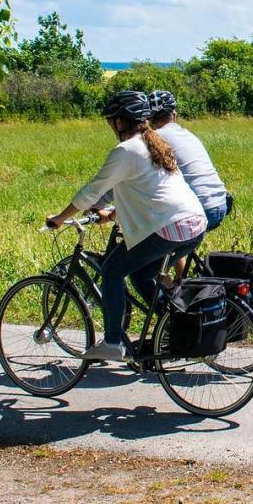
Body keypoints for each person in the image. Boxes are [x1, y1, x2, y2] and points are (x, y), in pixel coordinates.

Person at [46, 90, 207, 362]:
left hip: (170, 227)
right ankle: (173, 325)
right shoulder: (153, 142)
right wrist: (113, 213)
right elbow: (149, 193)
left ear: (120, 122)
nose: (110, 125)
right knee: (142, 276)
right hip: (194, 224)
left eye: (111, 120)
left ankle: (112, 343)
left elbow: (92, 191)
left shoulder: (126, 150)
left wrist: (60, 217)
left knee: (111, 271)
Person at [148, 90, 230, 232]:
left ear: (149, 118)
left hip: (199, 208)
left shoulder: (154, 139)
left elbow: (135, 174)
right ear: (174, 114)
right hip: (220, 201)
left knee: (151, 241)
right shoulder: (187, 135)